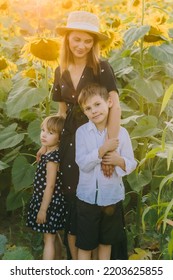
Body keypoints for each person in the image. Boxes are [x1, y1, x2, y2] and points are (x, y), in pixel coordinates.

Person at [38, 10, 121, 259]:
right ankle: (79, 262)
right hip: (68, 141)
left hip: (94, 139)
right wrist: (50, 145)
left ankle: (99, 262)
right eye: (77, 39)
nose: (82, 45)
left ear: (94, 43)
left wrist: (110, 147)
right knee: (73, 196)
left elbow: (114, 106)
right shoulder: (60, 70)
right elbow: (62, 112)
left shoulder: (101, 68)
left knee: (95, 197)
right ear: (67, 39)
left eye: (87, 40)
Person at [75, 83, 137, 260]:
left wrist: (119, 161)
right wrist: (102, 150)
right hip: (87, 199)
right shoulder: (82, 133)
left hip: (111, 198)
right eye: (88, 108)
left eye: (97, 104)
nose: (93, 111)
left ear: (109, 102)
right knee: (85, 245)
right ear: (84, 112)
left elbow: (131, 163)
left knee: (106, 243)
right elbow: (82, 163)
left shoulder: (122, 133)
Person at [26, 115, 67, 260]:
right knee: (53, 235)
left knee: (48, 240)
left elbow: (50, 186)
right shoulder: (48, 152)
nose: (44, 134)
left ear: (60, 137)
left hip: (49, 203)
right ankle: (58, 261)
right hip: (47, 201)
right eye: (43, 130)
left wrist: (43, 209)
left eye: (50, 133)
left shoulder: (52, 159)